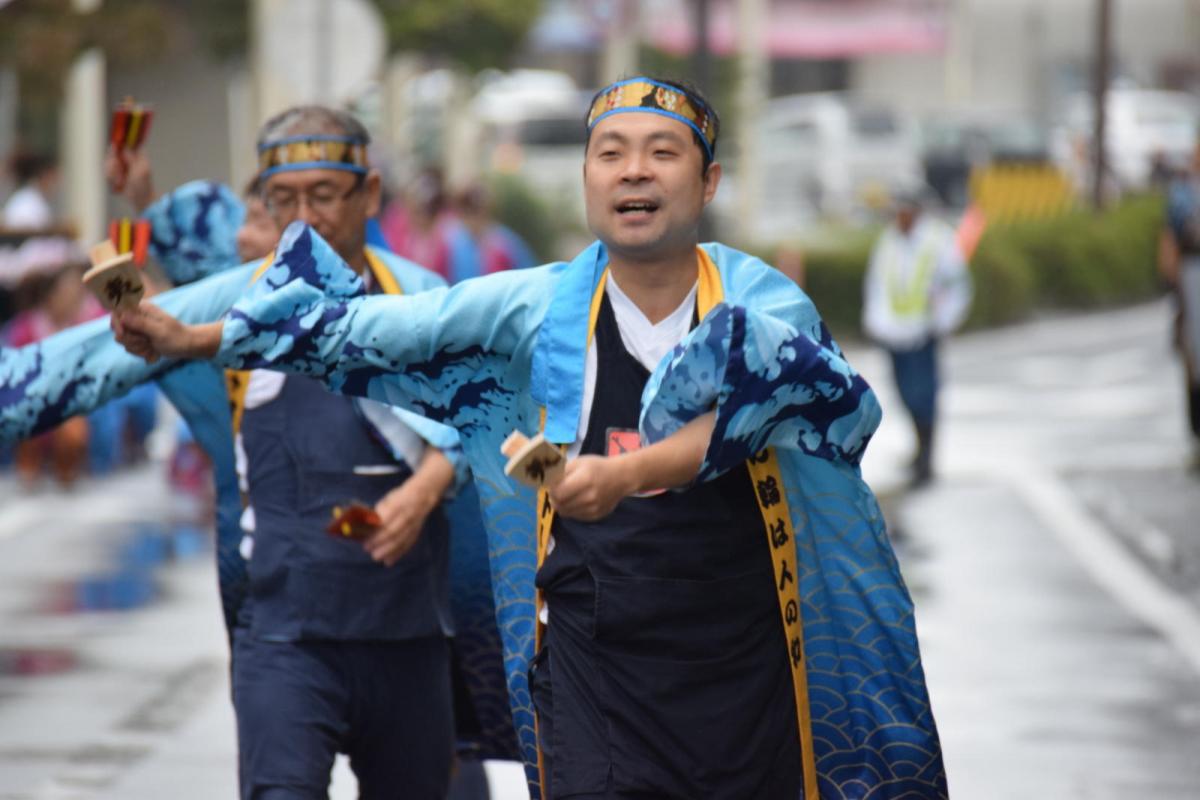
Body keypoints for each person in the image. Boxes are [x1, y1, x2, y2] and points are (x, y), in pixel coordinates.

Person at [112, 76, 948, 800]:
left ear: (708, 180)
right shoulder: (537, 306)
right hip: (592, 665)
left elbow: (770, 405)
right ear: (587, 180)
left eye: (663, 152)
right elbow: (371, 326)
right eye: (611, 151)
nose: (634, 170)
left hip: (743, 666)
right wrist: (195, 339)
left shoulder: (764, 303)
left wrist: (627, 474)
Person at [3, 106, 470, 798]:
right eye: (282, 201)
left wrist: (425, 486)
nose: (302, 219)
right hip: (283, 633)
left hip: (410, 632)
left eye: (323, 195)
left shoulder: (427, 298)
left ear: (369, 194)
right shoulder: (234, 296)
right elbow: (80, 362)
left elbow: (489, 417)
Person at [862, 190, 972, 486]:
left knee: (923, 395)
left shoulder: (938, 240)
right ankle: (918, 448)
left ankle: (927, 456)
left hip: (923, 333)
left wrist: (944, 322)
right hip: (893, 334)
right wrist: (874, 322)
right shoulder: (889, 241)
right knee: (903, 394)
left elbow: (957, 285)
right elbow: (876, 285)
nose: (900, 217)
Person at [1163, 139, 1200, 458]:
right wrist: (1172, 284)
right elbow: (1170, 241)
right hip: (1192, 278)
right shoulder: (1184, 194)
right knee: (1193, 357)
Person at [2, 150, 59, 229]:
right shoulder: (26, 204)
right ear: (45, 176)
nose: (57, 183)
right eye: (54, 177)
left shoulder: (34, 199)